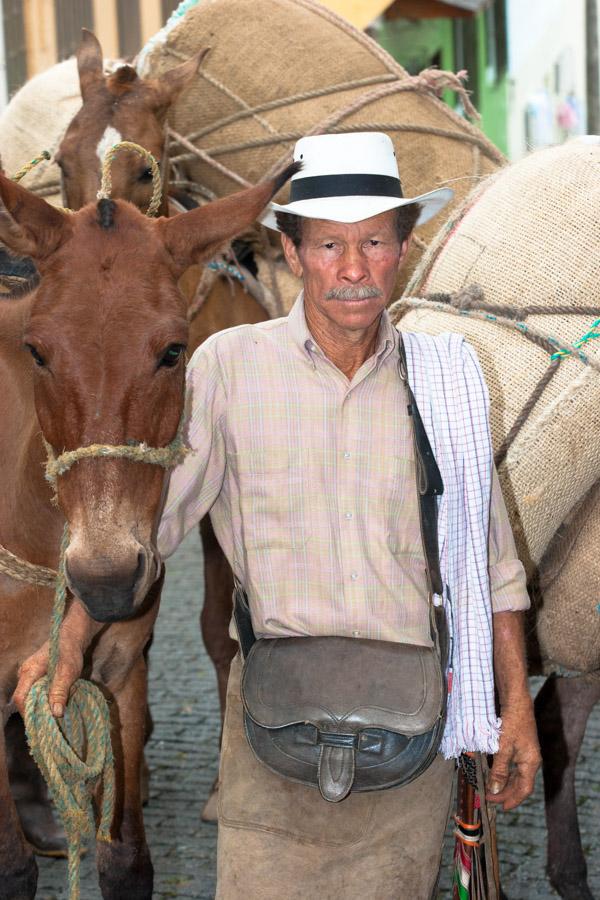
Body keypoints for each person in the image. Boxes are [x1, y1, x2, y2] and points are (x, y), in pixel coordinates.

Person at [15, 132, 541, 898]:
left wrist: (516, 706)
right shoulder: (227, 369)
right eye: (329, 244)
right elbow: (152, 529)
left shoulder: (448, 381)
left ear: (404, 250)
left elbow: (493, 567)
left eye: (375, 242)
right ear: (291, 253)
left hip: (415, 748)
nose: (354, 268)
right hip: (269, 748)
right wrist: (65, 648)